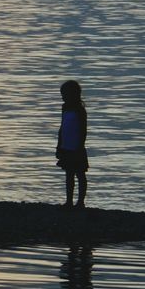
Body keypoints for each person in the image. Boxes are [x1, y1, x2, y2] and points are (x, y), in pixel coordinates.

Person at [56, 80, 89, 208]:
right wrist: (59, 144)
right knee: (69, 174)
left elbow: (83, 129)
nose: (63, 97)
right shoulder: (64, 108)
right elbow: (62, 126)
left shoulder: (80, 110)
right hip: (66, 145)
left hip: (77, 146)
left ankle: (80, 201)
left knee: (80, 174)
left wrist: (80, 144)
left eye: (64, 94)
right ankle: (69, 201)